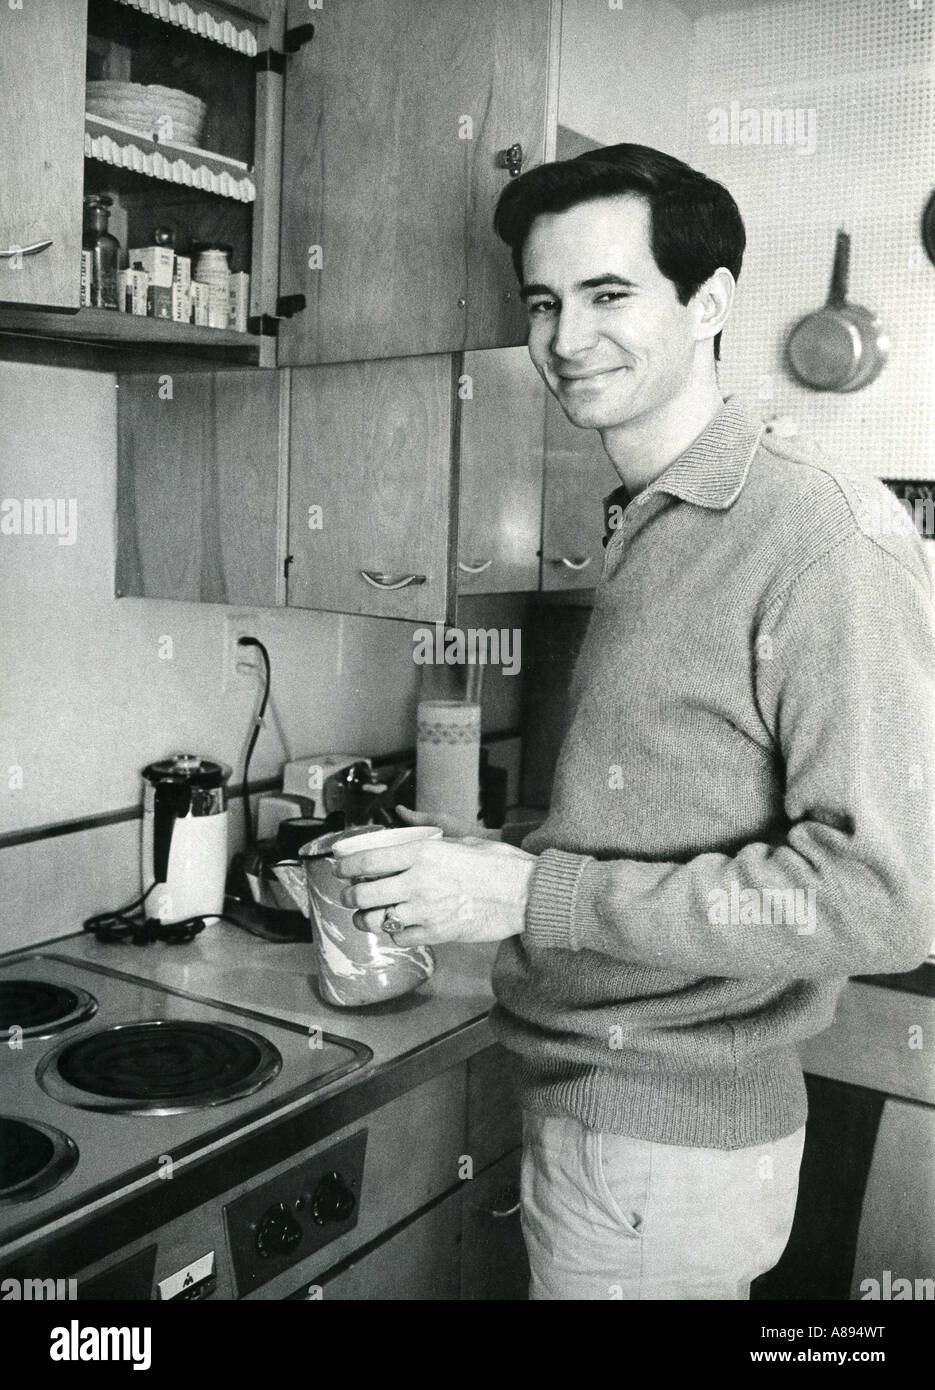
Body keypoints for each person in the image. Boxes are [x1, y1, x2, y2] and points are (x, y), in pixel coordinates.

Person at [335, 144, 935, 1300]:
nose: (564, 339)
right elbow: (674, 805)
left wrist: (523, 896)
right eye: (545, 301)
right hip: (601, 1110)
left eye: (609, 295)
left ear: (707, 304)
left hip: (667, 1144)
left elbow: (882, 900)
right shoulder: (650, 517)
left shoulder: (816, 534)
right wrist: (496, 862)